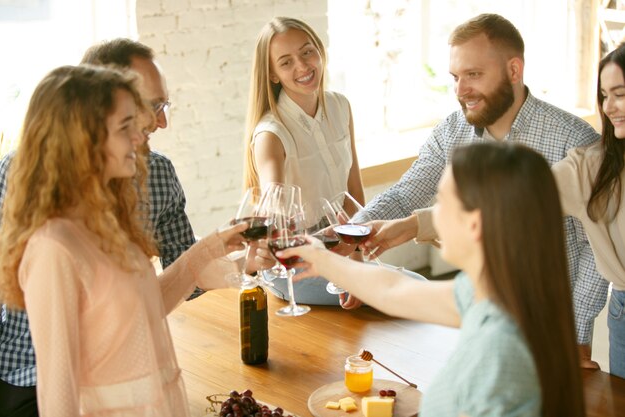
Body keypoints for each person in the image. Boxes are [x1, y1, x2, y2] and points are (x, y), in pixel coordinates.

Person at [358, 13, 606, 368]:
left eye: (473, 75)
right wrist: (348, 233)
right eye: (456, 77)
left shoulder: (574, 140)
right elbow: (404, 194)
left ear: (514, 71)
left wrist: (577, 334)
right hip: (477, 317)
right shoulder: (453, 130)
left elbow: (593, 250)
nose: (460, 91)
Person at [0, 65, 246, 416]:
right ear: (82, 139)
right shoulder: (53, 247)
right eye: (125, 127)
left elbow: (145, 310)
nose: (140, 136)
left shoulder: (107, 223)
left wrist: (212, 247)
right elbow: (58, 393)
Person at [279, 142, 585, 416]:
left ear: (474, 224)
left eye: (441, 203)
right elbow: (393, 289)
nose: (433, 216)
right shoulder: (496, 294)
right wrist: (321, 259)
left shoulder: (498, 351)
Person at [243, 17, 423, 308]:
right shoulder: (270, 134)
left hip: (338, 249)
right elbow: (274, 214)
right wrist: (350, 270)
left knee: (416, 290)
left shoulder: (340, 106)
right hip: (293, 263)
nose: (302, 66)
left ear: (320, 51)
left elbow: (353, 190)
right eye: (286, 62)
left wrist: (356, 257)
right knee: (411, 294)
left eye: (306, 52)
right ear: (273, 74)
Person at [552, 43, 625, 379]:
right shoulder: (590, 168)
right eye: (604, 95)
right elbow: (512, 199)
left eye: (620, 94)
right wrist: (414, 225)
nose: (609, 107)